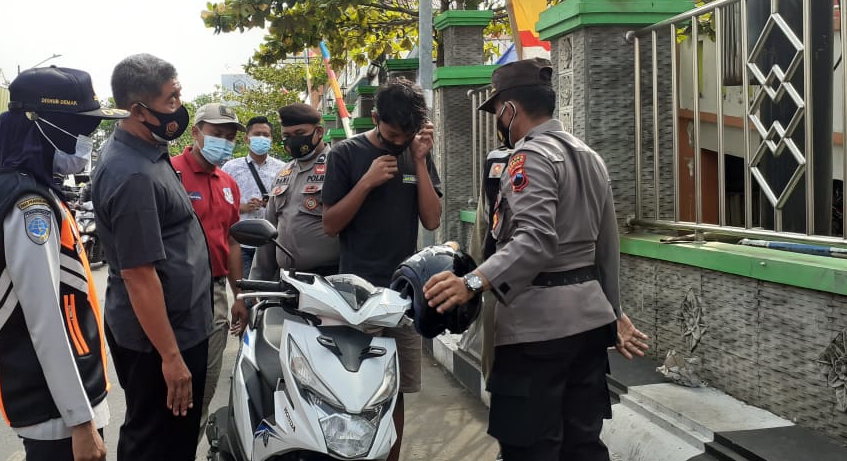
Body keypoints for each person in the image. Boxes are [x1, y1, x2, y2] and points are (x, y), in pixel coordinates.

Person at [423, 58, 650, 461]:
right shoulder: (589, 155)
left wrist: (471, 282)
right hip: (588, 325)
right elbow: (607, 246)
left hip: (536, 332)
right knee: (582, 445)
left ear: (510, 109)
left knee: (531, 448)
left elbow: (535, 240)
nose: (498, 122)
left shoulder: (528, 158)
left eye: (498, 112)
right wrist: (613, 311)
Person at [0, 66, 127, 461]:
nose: (86, 141)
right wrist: (80, 420)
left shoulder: (30, 189)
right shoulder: (30, 206)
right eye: (81, 129)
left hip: (57, 401)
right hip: (57, 413)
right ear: (42, 126)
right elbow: (46, 321)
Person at [91, 53, 213, 461]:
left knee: (173, 439)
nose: (180, 106)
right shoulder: (132, 175)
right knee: (156, 443)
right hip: (161, 340)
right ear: (138, 110)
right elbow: (139, 275)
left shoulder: (149, 152)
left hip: (177, 328)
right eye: (171, 99)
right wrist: (171, 358)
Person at [321, 78, 442, 461]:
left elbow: (432, 219)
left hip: (401, 296)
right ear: (375, 118)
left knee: (395, 391)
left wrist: (419, 161)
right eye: (392, 135)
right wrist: (366, 183)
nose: (399, 142)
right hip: (354, 297)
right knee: (352, 391)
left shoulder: (415, 153)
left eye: (406, 136)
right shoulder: (345, 154)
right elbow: (330, 224)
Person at [169, 101, 249, 439]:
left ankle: (188, 447)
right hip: (176, 297)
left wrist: (239, 295)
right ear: (196, 132)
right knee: (171, 390)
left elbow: (231, 241)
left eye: (231, 137)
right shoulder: (169, 174)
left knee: (203, 389)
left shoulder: (228, 183)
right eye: (217, 134)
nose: (225, 142)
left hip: (215, 295)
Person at [249, 103, 339, 281]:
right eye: (287, 136)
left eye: (299, 133)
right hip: (288, 279)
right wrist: (257, 281)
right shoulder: (284, 172)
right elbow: (269, 230)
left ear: (319, 132)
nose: (293, 141)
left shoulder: (337, 166)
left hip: (329, 278)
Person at [221, 115, 285, 278]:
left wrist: (271, 204)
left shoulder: (283, 169)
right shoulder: (230, 168)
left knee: (270, 289)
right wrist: (241, 207)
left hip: (271, 242)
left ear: (271, 139)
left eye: (266, 135)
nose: (261, 138)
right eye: (257, 134)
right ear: (246, 139)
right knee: (246, 289)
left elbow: (289, 204)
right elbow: (219, 204)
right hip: (240, 242)